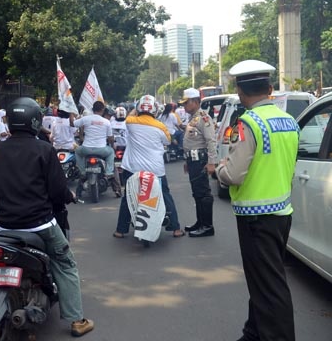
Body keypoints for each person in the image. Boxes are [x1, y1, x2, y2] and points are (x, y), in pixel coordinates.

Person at [0, 97, 94, 337]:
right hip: (41, 225)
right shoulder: (44, 149)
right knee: (65, 263)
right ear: (35, 121)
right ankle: (77, 320)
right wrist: (69, 196)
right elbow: (57, 190)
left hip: (4, 226)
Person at [216, 60, 298, 341]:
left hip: (256, 217)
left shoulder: (249, 122)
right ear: (270, 88)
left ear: (240, 91)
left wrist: (218, 170)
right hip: (281, 213)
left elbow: (234, 174)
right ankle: (254, 332)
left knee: (270, 287)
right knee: (263, 280)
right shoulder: (288, 121)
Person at [113, 95, 185, 238]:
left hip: (132, 168)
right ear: (155, 110)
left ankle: (121, 230)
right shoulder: (160, 126)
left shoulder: (131, 121)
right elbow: (168, 141)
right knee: (165, 195)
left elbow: (131, 114)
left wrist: (136, 109)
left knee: (128, 196)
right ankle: (176, 228)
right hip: (155, 170)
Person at [179, 88, 217, 237]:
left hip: (201, 160)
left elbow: (211, 141)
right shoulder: (193, 118)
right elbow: (191, 141)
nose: (184, 106)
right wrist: (186, 160)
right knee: (197, 193)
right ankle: (200, 222)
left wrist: (212, 162)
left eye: (186, 103)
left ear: (195, 102)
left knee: (204, 193)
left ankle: (207, 226)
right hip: (193, 160)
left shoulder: (203, 117)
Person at [70, 101, 120, 197]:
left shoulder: (85, 119)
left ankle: (83, 171)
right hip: (102, 150)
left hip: (86, 149)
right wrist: (112, 144)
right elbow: (110, 138)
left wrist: (70, 112)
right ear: (102, 110)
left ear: (93, 109)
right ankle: (109, 172)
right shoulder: (106, 122)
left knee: (77, 151)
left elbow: (73, 124)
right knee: (111, 153)